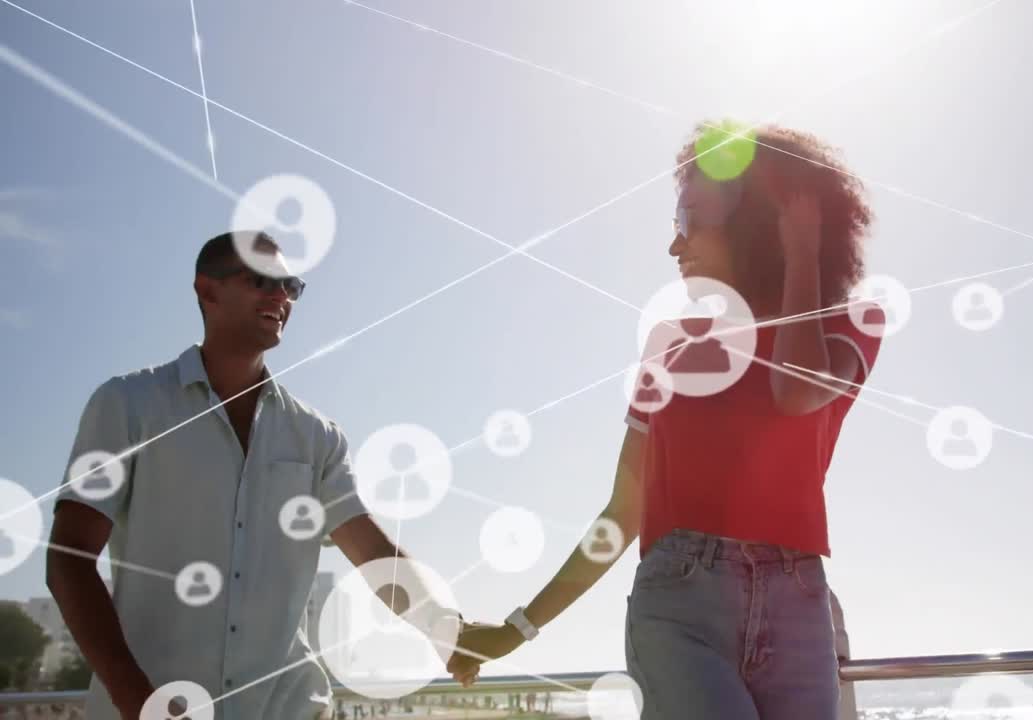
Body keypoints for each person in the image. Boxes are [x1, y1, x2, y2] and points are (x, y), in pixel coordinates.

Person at [447, 122, 883, 720]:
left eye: (686, 222)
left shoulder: (848, 323)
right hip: (681, 604)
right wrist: (517, 629)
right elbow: (621, 513)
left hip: (799, 601)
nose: (674, 247)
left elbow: (794, 391)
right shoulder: (671, 343)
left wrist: (801, 256)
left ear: (754, 219)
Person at [46, 232, 456, 720]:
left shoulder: (315, 436)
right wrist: (138, 699)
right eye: (261, 280)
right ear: (207, 291)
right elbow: (69, 561)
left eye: (291, 286)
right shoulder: (128, 405)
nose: (281, 297)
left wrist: (450, 631)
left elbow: (372, 554)